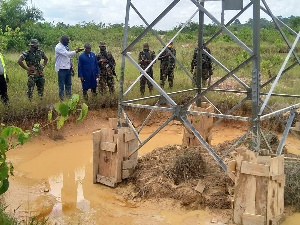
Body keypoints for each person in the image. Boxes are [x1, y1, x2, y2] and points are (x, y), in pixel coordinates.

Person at [55, 35, 83, 101]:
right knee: (61, 85)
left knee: (68, 84)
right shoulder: (58, 47)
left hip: (68, 68)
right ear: (62, 41)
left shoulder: (65, 46)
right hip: (61, 69)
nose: (67, 42)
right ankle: (62, 100)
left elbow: (68, 58)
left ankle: (68, 99)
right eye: (66, 41)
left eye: (68, 41)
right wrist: (76, 51)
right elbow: (67, 54)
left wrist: (72, 67)